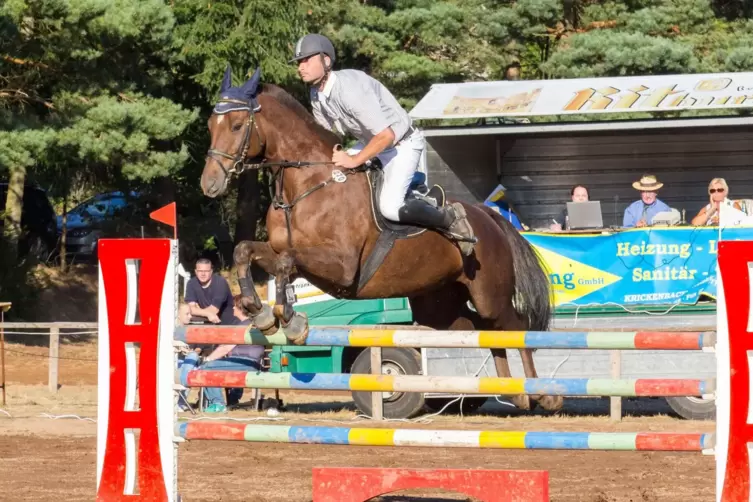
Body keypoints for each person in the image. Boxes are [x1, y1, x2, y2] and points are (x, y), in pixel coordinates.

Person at [290, 33, 475, 255]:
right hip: (372, 143)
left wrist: (353, 160)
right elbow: (327, 135)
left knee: (390, 208)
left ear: (326, 61)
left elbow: (386, 135)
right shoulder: (316, 94)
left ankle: (449, 217)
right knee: (332, 177)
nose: (301, 66)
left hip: (401, 144)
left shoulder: (349, 89)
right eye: (299, 62)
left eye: (307, 59)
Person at [179, 295, 266, 413]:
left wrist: (207, 359)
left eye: (235, 306)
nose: (233, 308)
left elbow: (225, 347)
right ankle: (219, 401)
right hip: (245, 362)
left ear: (241, 308)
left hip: (245, 362)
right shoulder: (249, 324)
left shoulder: (244, 326)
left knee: (205, 368)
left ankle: (217, 403)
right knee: (210, 367)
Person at [184, 258, 235, 325]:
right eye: (200, 271)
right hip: (206, 319)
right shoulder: (191, 283)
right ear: (196, 271)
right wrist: (207, 313)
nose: (203, 274)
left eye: (206, 271)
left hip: (225, 322)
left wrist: (198, 311)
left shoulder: (220, 282)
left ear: (211, 271)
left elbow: (214, 310)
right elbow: (190, 308)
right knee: (184, 317)